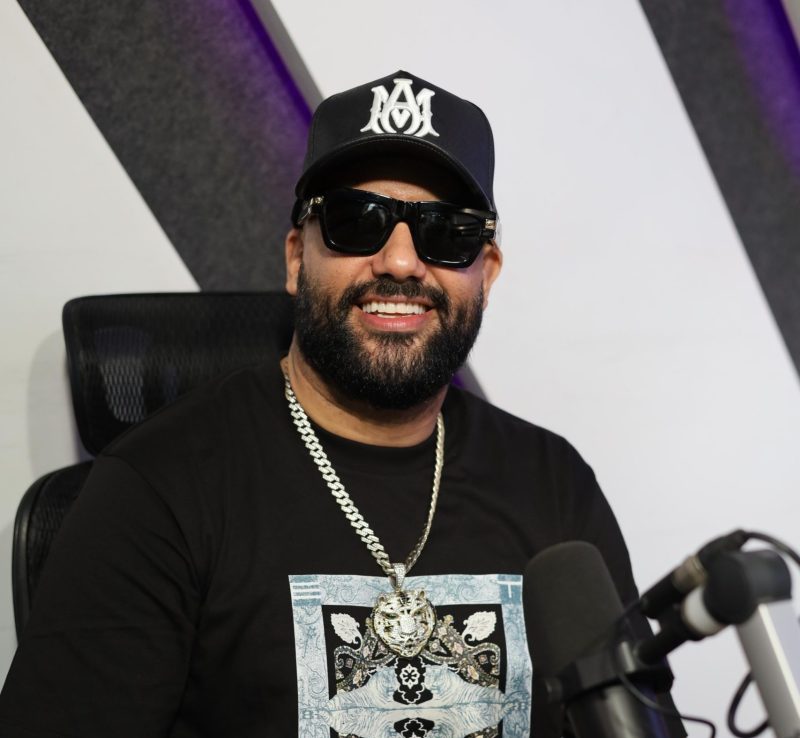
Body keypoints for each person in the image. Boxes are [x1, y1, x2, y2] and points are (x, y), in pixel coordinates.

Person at [0, 70, 682, 738]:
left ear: (487, 273)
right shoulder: (159, 488)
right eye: (359, 222)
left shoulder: (553, 484)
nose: (401, 263)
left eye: (447, 233)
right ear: (297, 257)